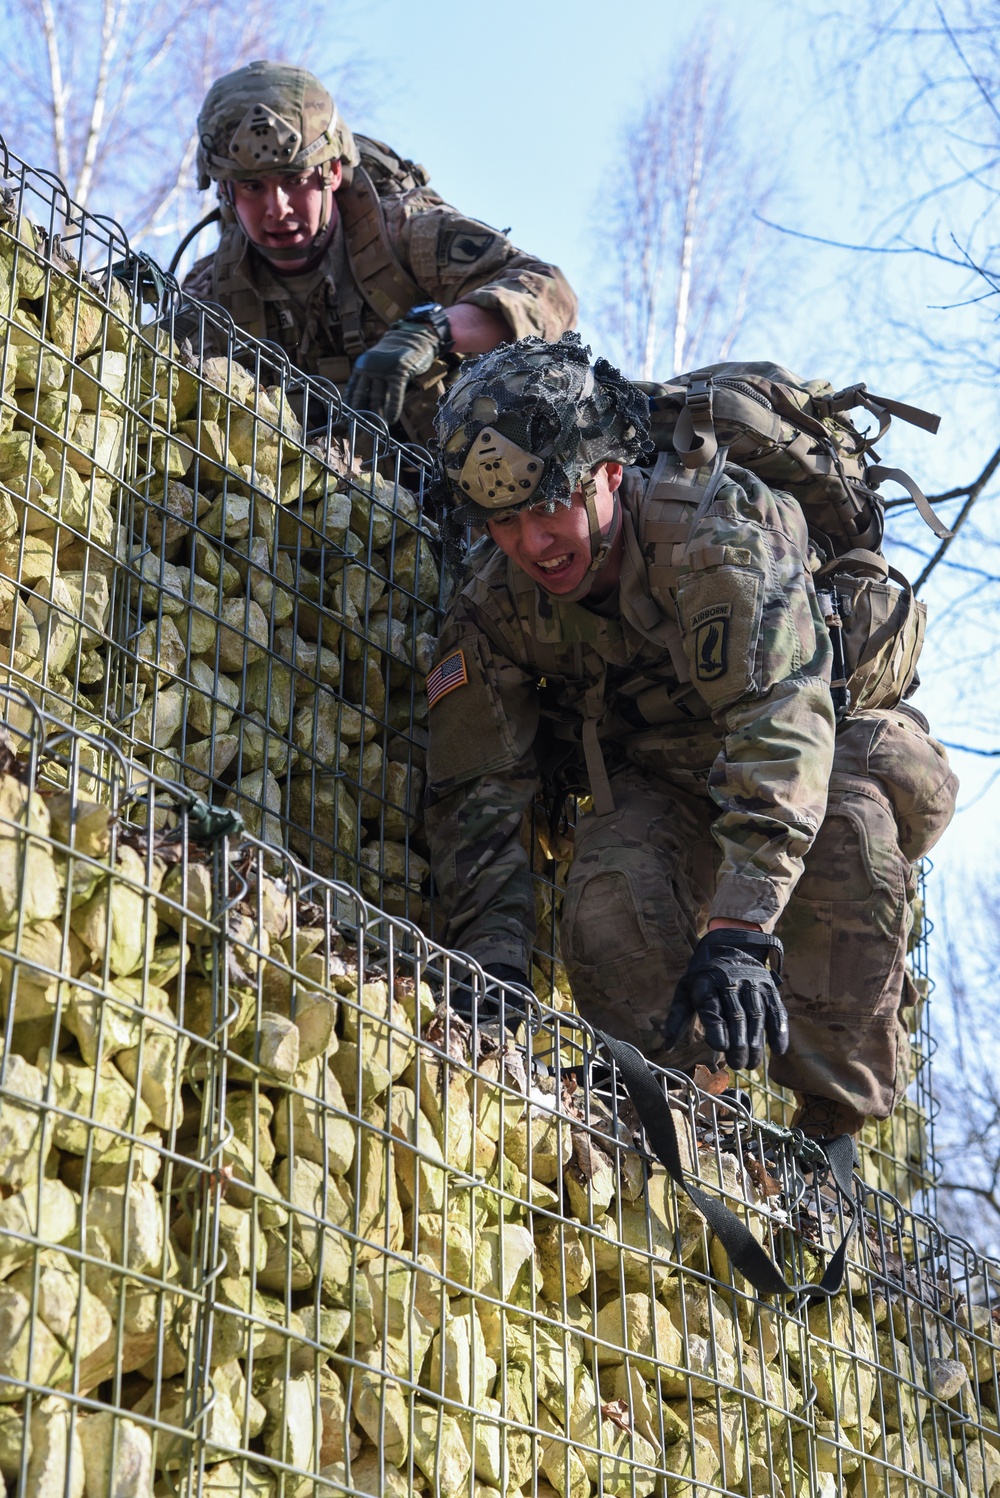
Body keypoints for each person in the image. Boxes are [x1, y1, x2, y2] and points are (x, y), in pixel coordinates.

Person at [423, 333, 958, 1142]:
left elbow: (782, 729)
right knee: (606, 909)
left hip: (819, 748)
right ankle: (687, 1108)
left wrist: (739, 933)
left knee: (849, 834)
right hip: (661, 775)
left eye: (547, 505)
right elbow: (479, 791)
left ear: (607, 474)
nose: (534, 544)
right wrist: (493, 963)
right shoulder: (494, 606)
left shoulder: (718, 536)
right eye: (503, 521)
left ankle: (831, 1132)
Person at [177, 60, 576, 445]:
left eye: (296, 179)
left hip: (462, 488)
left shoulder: (404, 234)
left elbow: (550, 292)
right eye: (252, 187)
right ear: (225, 193)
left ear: (333, 172)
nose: (277, 208)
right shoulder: (212, 293)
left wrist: (430, 333)